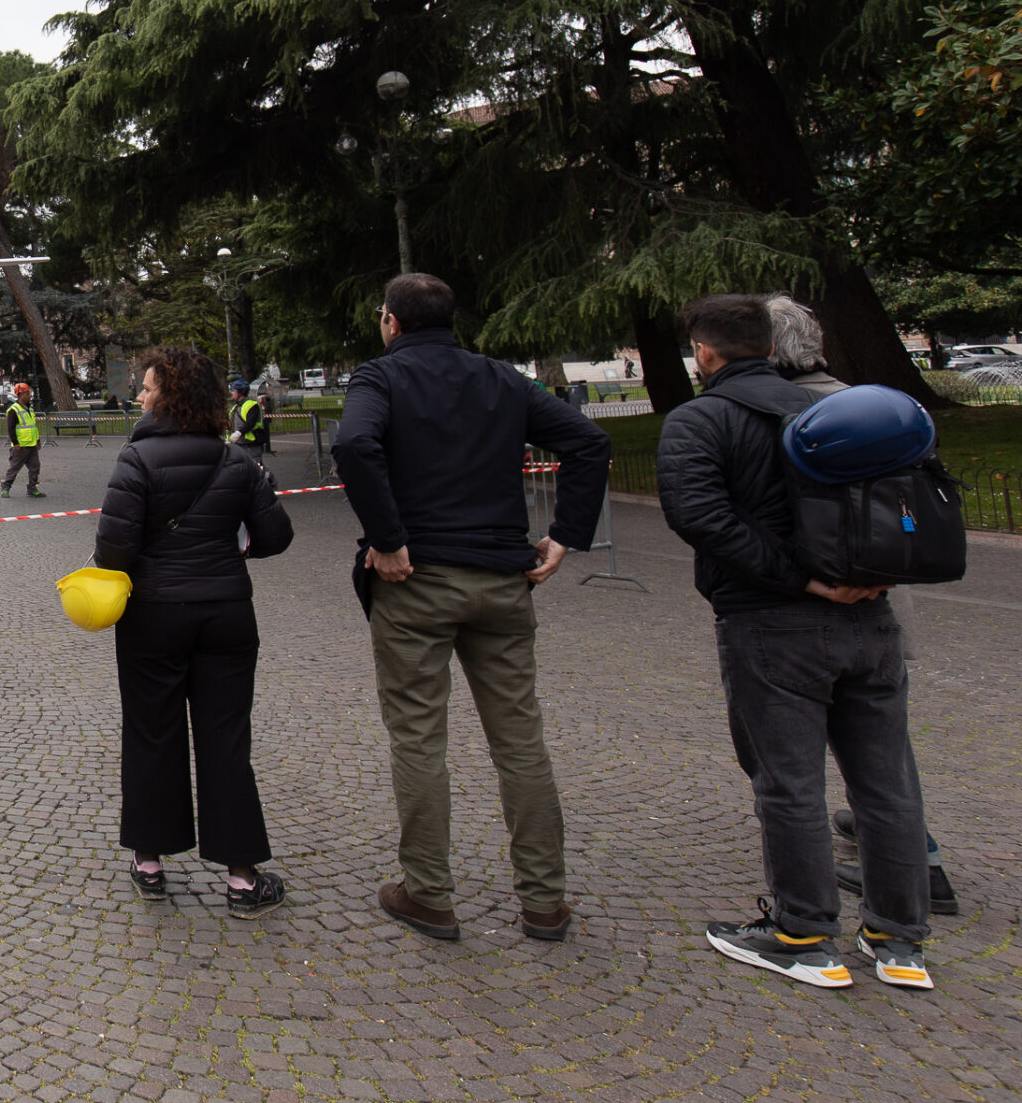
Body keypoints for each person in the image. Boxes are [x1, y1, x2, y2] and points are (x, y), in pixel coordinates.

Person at [658, 294, 937, 989]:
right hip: (869, 619)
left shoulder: (702, 419)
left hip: (773, 624)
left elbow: (698, 515)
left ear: (705, 352)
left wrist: (800, 579)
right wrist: (872, 576)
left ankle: (804, 934)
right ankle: (899, 941)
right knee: (887, 783)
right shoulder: (839, 410)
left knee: (789, 784)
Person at [332, 272, 611, 943]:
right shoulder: (501, 379)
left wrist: (389, 539)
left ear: (391, 321)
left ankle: (428, 892)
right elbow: (589, 442)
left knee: (418, 739)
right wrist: (565, 534)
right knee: (520, 740)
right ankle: (544, 900)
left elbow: (354, 445)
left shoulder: (379, 378)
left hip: (417, 581)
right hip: (501, 579)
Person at [94, 347, 294, 914]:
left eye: (147, 387)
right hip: (225, 612)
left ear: (169, 397)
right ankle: (242, 878)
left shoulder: (136, 459)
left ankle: (150, 862)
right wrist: (226, 552)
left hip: (154, 615)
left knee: (151, 732)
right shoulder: (238, 461)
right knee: (226, 737)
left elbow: (113, 550)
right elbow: (276, 536)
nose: (139, 396)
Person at [0, 382, 44, 498]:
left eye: (29, 393)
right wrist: (15, 443)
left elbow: (33, 426)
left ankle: (32, 489)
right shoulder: (14, 410)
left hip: (32, 444)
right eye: (27, 393)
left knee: (35, 467)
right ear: (20, 395)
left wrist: (38, 440)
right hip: (20, 446)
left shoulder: (30, 409)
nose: (29, 395)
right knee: (14, 468)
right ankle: (5, 488)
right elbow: (11, 428)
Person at [227, 379, 270, 453]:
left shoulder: (251, 405)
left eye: (233, 390)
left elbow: (251, 423)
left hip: (251, 445)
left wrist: (238, 433)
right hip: (238, 444)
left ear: (240, 392)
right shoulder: (235, 407)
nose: (232, 393)